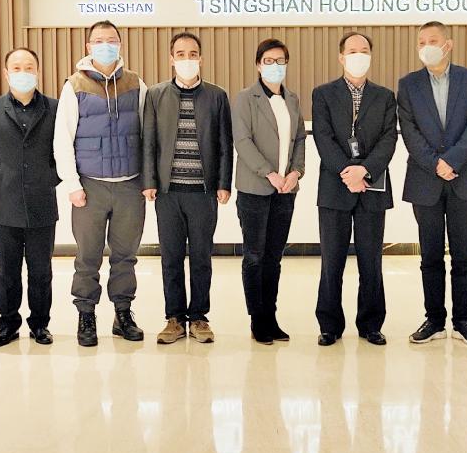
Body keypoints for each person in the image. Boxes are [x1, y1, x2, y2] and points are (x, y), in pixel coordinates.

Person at [53, 20, 147, 347]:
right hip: (90, 186)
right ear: (88, 46)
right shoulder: (74, 85)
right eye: (99, 40)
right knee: (88, 256)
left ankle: (123, 314)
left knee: (125, 256)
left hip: (129, 186)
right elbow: (62, 138)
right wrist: (72, 183)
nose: (105, 45)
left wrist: (147, 179)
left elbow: (148, 135)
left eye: (111, 40)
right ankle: (86, 314)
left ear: (120, 45)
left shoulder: (136, 83)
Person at [397, 21, 467, 346]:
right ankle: (434, 320)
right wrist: (435, 163)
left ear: (447, 45)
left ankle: (463, 321)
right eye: (421, 42)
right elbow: (409, 129)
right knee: (430, 256)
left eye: (433, 41)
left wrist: (452, 160)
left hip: (465, 178)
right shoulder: (408, 84)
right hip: (425, 180)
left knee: (463, 256)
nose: (426, 47)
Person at [142, 32, 233, 345]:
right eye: (180, 54)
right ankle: (174, 318)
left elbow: (225, 144)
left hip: (203, 193)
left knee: (201, 257)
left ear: (201, 58)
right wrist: (149, 181)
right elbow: (149, 141)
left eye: (193, 53)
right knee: (170, 257)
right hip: (168, 193)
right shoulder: (155, 95)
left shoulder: (217, 96)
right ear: (172, 59)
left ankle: (199, 318)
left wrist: (223, 183)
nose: (187, 59)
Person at [311, 32, 398, 346]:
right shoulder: (323, 94)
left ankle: (371, 324)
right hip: (335, 187)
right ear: (341, 57)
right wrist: (348, 172)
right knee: (331, 261)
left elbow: (389, 138)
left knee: (371, 261)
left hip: (372, 187)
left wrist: (365, 170)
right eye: (352, 51)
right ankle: (329, 325)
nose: (358, 55)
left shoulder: (385, 96)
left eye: (363, 51)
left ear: (370, 56)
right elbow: (323, 137)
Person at [0, 47, 60, 347]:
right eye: (17, 68)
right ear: (6, 74)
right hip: (5, 205)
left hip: (42, 203)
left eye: (29, 67)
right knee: (7, 272)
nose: (23, 73)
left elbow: (66, 149)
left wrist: (52, 177)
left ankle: (40, 325)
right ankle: (7, 325)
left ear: (38, 72)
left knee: (41, 271)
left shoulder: (54, 108)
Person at [231, 39, 307, 345]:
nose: (275, 66)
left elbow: (299, 138)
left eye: (280, 60)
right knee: (254, 256)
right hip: (255, 189)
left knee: (274, 257)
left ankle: (271, 316)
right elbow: (243, 141)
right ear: (258, 64)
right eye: (268, 60)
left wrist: (296, 172)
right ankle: (257, 319)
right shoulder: (245, 98)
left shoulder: (292, 99)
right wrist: (270, 173)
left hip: (286, 190)